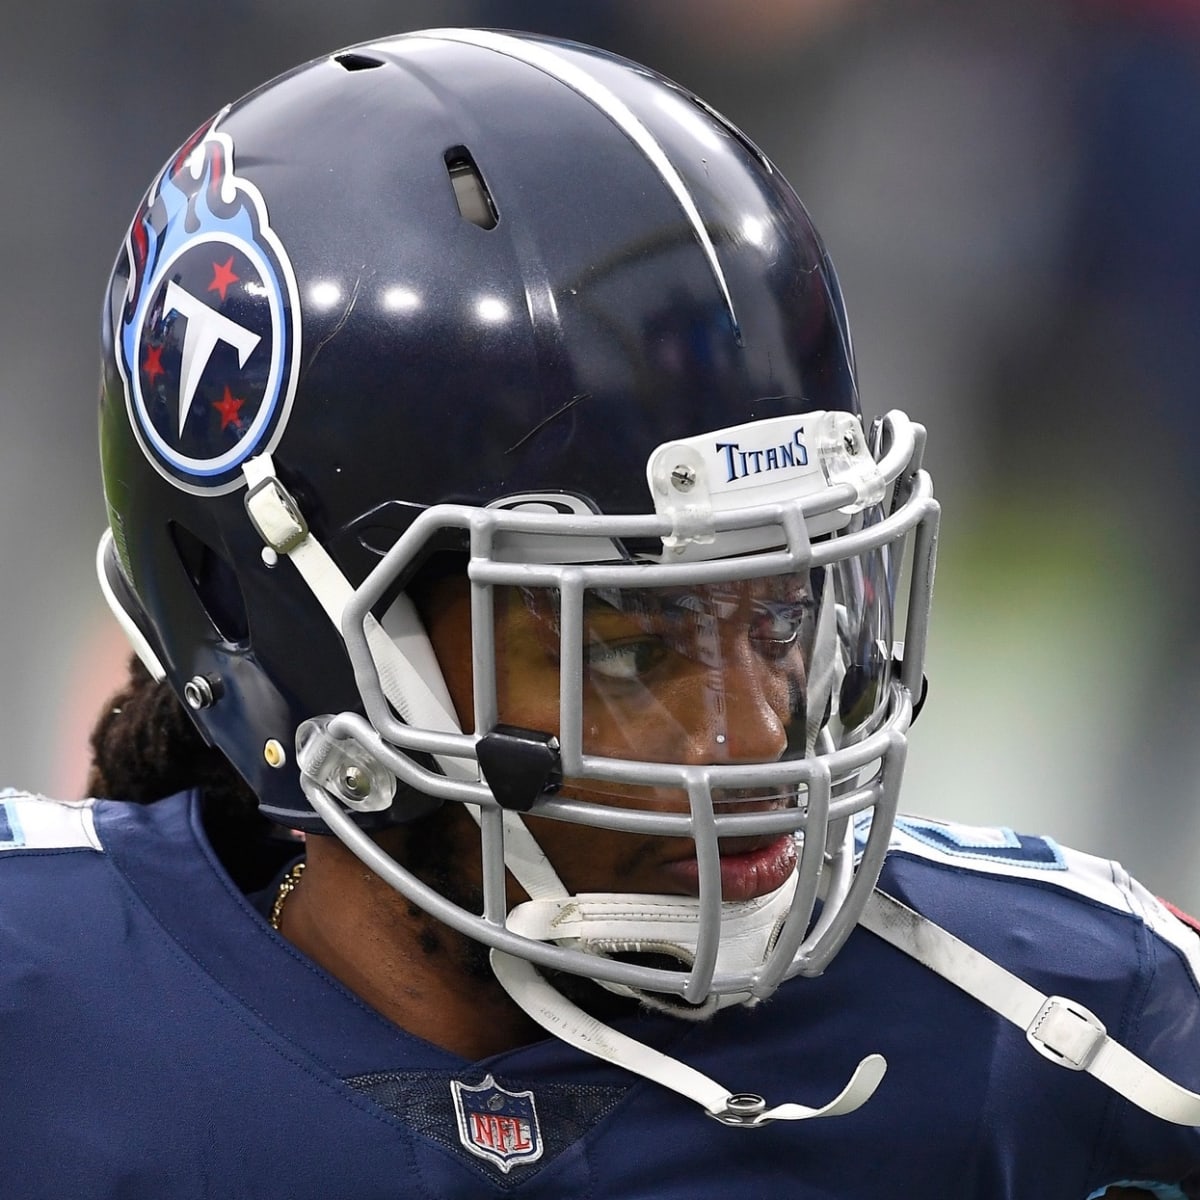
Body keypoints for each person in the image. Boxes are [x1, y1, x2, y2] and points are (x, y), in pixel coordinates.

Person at [1, 28, 1196, 1198]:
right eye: (625, 646)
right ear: (297, 644)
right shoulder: (42, 1006)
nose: (753, 741)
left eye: (779, 618)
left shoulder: (1048, 1021)